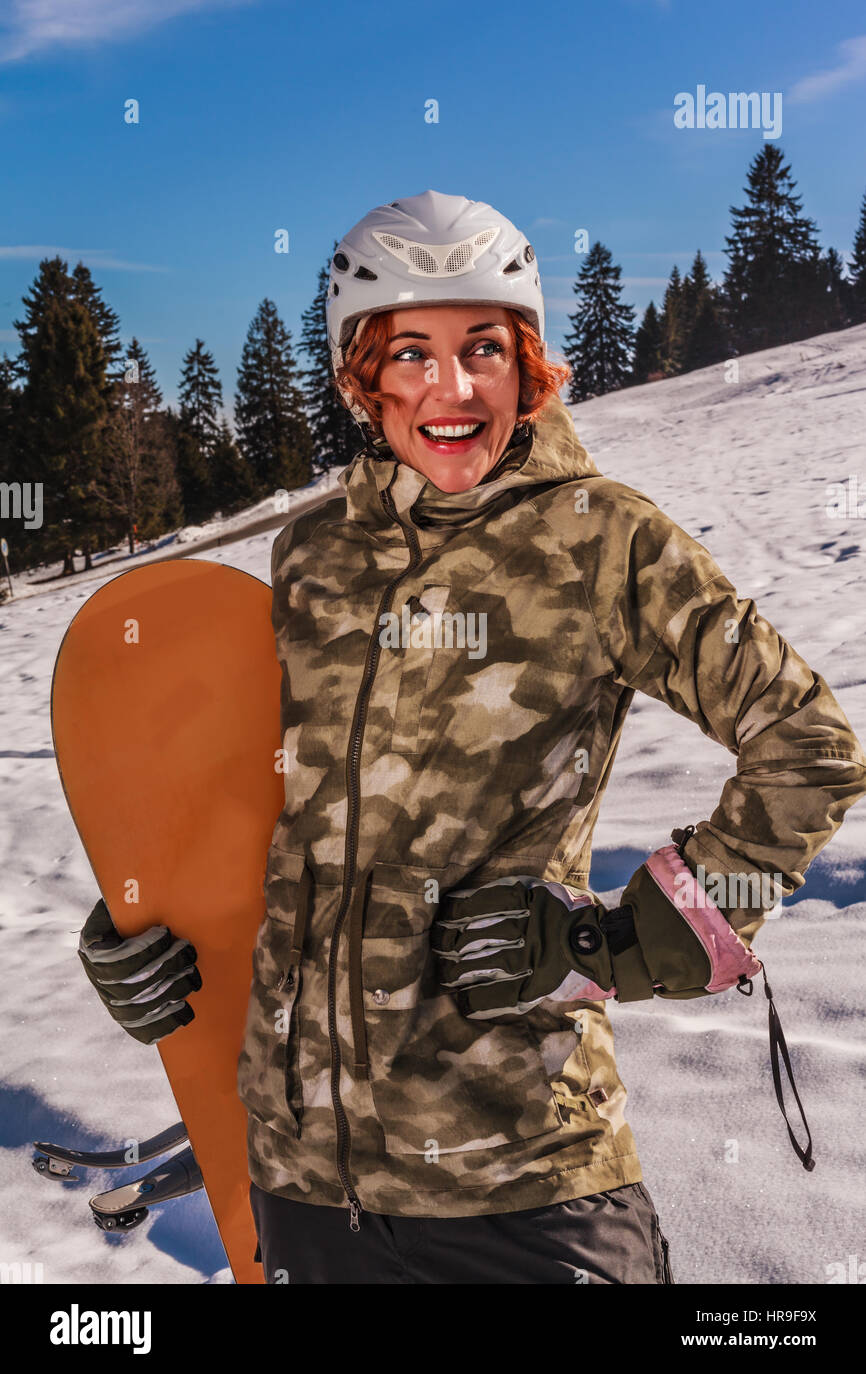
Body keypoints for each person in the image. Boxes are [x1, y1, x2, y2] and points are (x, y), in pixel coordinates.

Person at [79, 190, 866, 1285]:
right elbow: (281, 810)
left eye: (482, 349)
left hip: (525, 1188)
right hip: (304, 1189)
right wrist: (154, 925)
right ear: (362, 374)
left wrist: (625, 941)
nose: (447, 391)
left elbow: (807, 742)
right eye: (409, 354)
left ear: (525, 361)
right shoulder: (312, 557)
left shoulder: (600, 539)